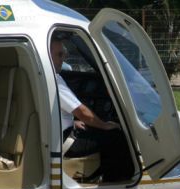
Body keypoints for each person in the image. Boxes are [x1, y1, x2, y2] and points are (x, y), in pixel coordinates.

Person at [50, 35, 134, 181]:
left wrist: (70, 121)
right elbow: (82, 112)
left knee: (95, 130)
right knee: (117, 137)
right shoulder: (54, 79)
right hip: (60, 140)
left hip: (53, 135)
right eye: (59, 54)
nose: (63, 58)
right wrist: (105, 125)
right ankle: (116, 182)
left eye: (64, 53)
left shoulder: (40, 76)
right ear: (48, 55)